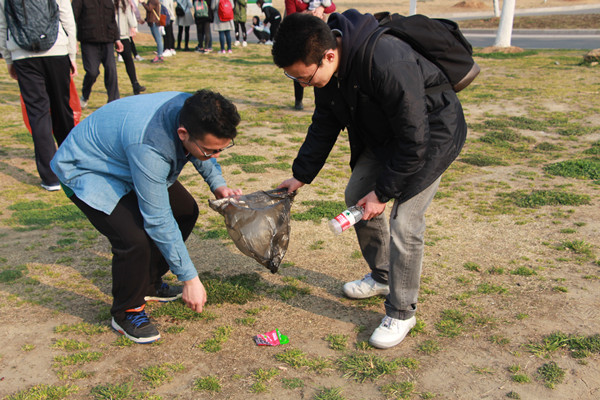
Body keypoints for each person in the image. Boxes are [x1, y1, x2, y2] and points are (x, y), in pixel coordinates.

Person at [272, 11, 467, 349]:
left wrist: (383, 193)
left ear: (328, 55)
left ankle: (402, 312)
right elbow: (325, 122)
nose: (303, 85)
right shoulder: (327, 73)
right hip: (387, 136)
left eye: (305, 78)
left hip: (431, 136)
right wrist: (300, 175)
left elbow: (414, 140)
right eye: (295, 79)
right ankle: (383, 276)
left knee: (405, 221)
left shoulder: (387, 61)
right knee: (357, 193)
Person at [50, 90, 242, 343]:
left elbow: (203, 148)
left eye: (221, 149)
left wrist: (218, 184)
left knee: (185, 211)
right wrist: (189, 278)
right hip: (88, 168)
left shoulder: (195, 109)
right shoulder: (151, 146)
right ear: (182, 133)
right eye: (210, 151)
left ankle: (149, 283)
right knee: (133, 238)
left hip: (127, 158)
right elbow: (158, 219)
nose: (215, 156)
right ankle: (126, 311)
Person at [0, 0, 77, 191]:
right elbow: (67, 18)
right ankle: (72, 166)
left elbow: (3, 24)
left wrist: (9, 58)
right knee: (62, 109)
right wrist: (72, 54)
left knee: (38, 114)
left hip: (22, 54)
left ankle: (50, 178)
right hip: (56, 48)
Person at [284, 0, 336, 110]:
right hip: (299, 35)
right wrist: (308, 13)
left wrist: (321, 8)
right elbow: (290, 17)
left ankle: (323, 103)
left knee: (320, 70)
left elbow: (332, 6)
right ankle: (298, 100)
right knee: (300, 70)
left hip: (317, 35)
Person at [72, 0, 123, 107]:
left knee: (111, 70)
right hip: (88, 41)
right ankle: (85, 95)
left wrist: (117, 39)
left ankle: (113, 101)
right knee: (92, 72)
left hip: (107, 40)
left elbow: (112, 20)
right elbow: (72, 19)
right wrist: (73, 41)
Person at [115, 0, 146, 95]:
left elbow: (129, 11)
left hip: (123, 33)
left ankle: (135, 84)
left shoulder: (124, 2)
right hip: (110, 33)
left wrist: (132, 26)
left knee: (128, 59)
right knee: (108, 64)